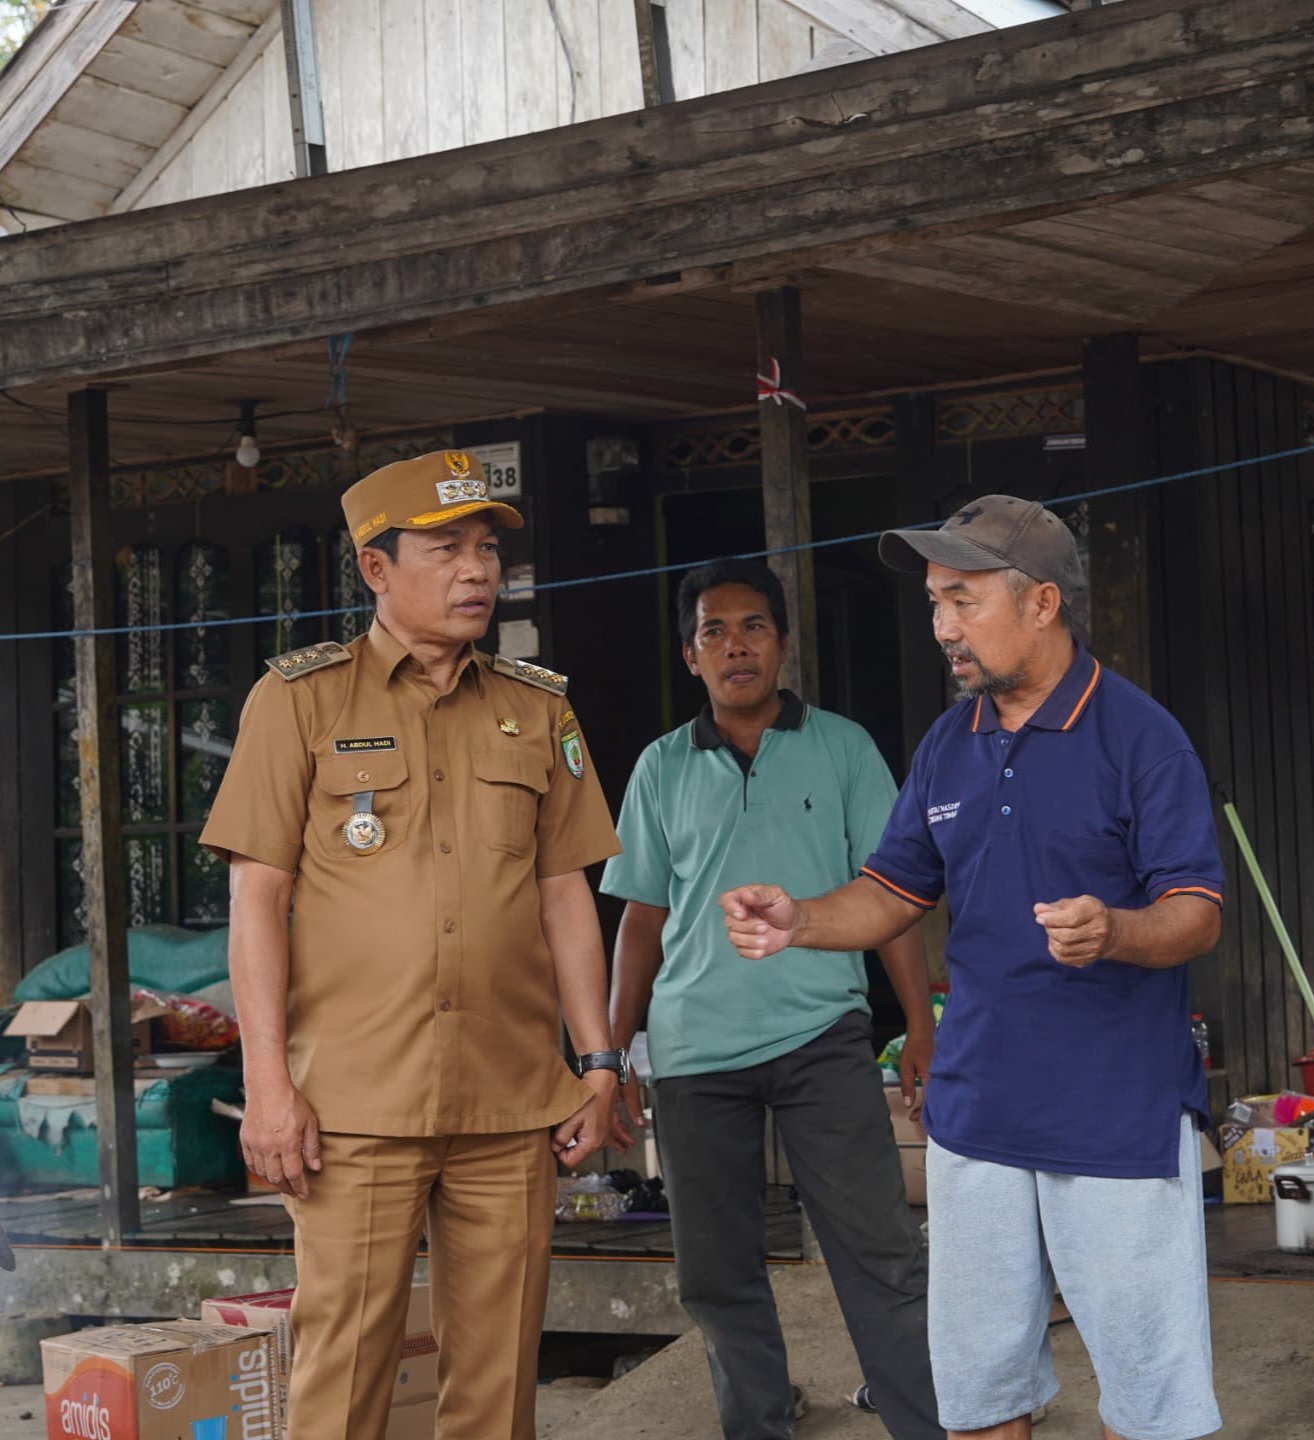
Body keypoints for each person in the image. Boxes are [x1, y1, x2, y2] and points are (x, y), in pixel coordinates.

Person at [721, 495, 1226, 1440]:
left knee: (1147, 1403)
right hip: (976, 1111)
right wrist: (799, 920)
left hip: (1113, 1114)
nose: (944, 629)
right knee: (980, 1397)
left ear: (1040, 603)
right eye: (933, 606)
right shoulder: (948, 744)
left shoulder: (1139, 736)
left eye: (963, 601)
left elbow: (1195, 912)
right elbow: (890, 893)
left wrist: (1114, 932)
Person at [201, 450, 625, 1440]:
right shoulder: (300, 702)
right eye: (447, 550)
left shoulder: (537, 706)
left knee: (496, 1386)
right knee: (342, 1377)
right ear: (376, 569)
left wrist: (599, 1058)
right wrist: (267, 1083)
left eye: (486, 550)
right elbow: (256, 899)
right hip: (352, 1107)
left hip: (511, 1100)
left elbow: (566, 895)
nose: (477, 571)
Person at [598, 558, 940, 1440]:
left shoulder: (842, 747)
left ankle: (926, 1424)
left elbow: (895, 898)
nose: (734, 645)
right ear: (690, 654)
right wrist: (613, 1055)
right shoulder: (659, 767)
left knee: (879, 1251)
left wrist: (922, 1028)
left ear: (783, 644)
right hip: (692, 1053)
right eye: (713, 630)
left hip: (823, 1036)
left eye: (752, 626)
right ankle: (757, 1425)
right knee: (715, 1272)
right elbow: (641, 918)